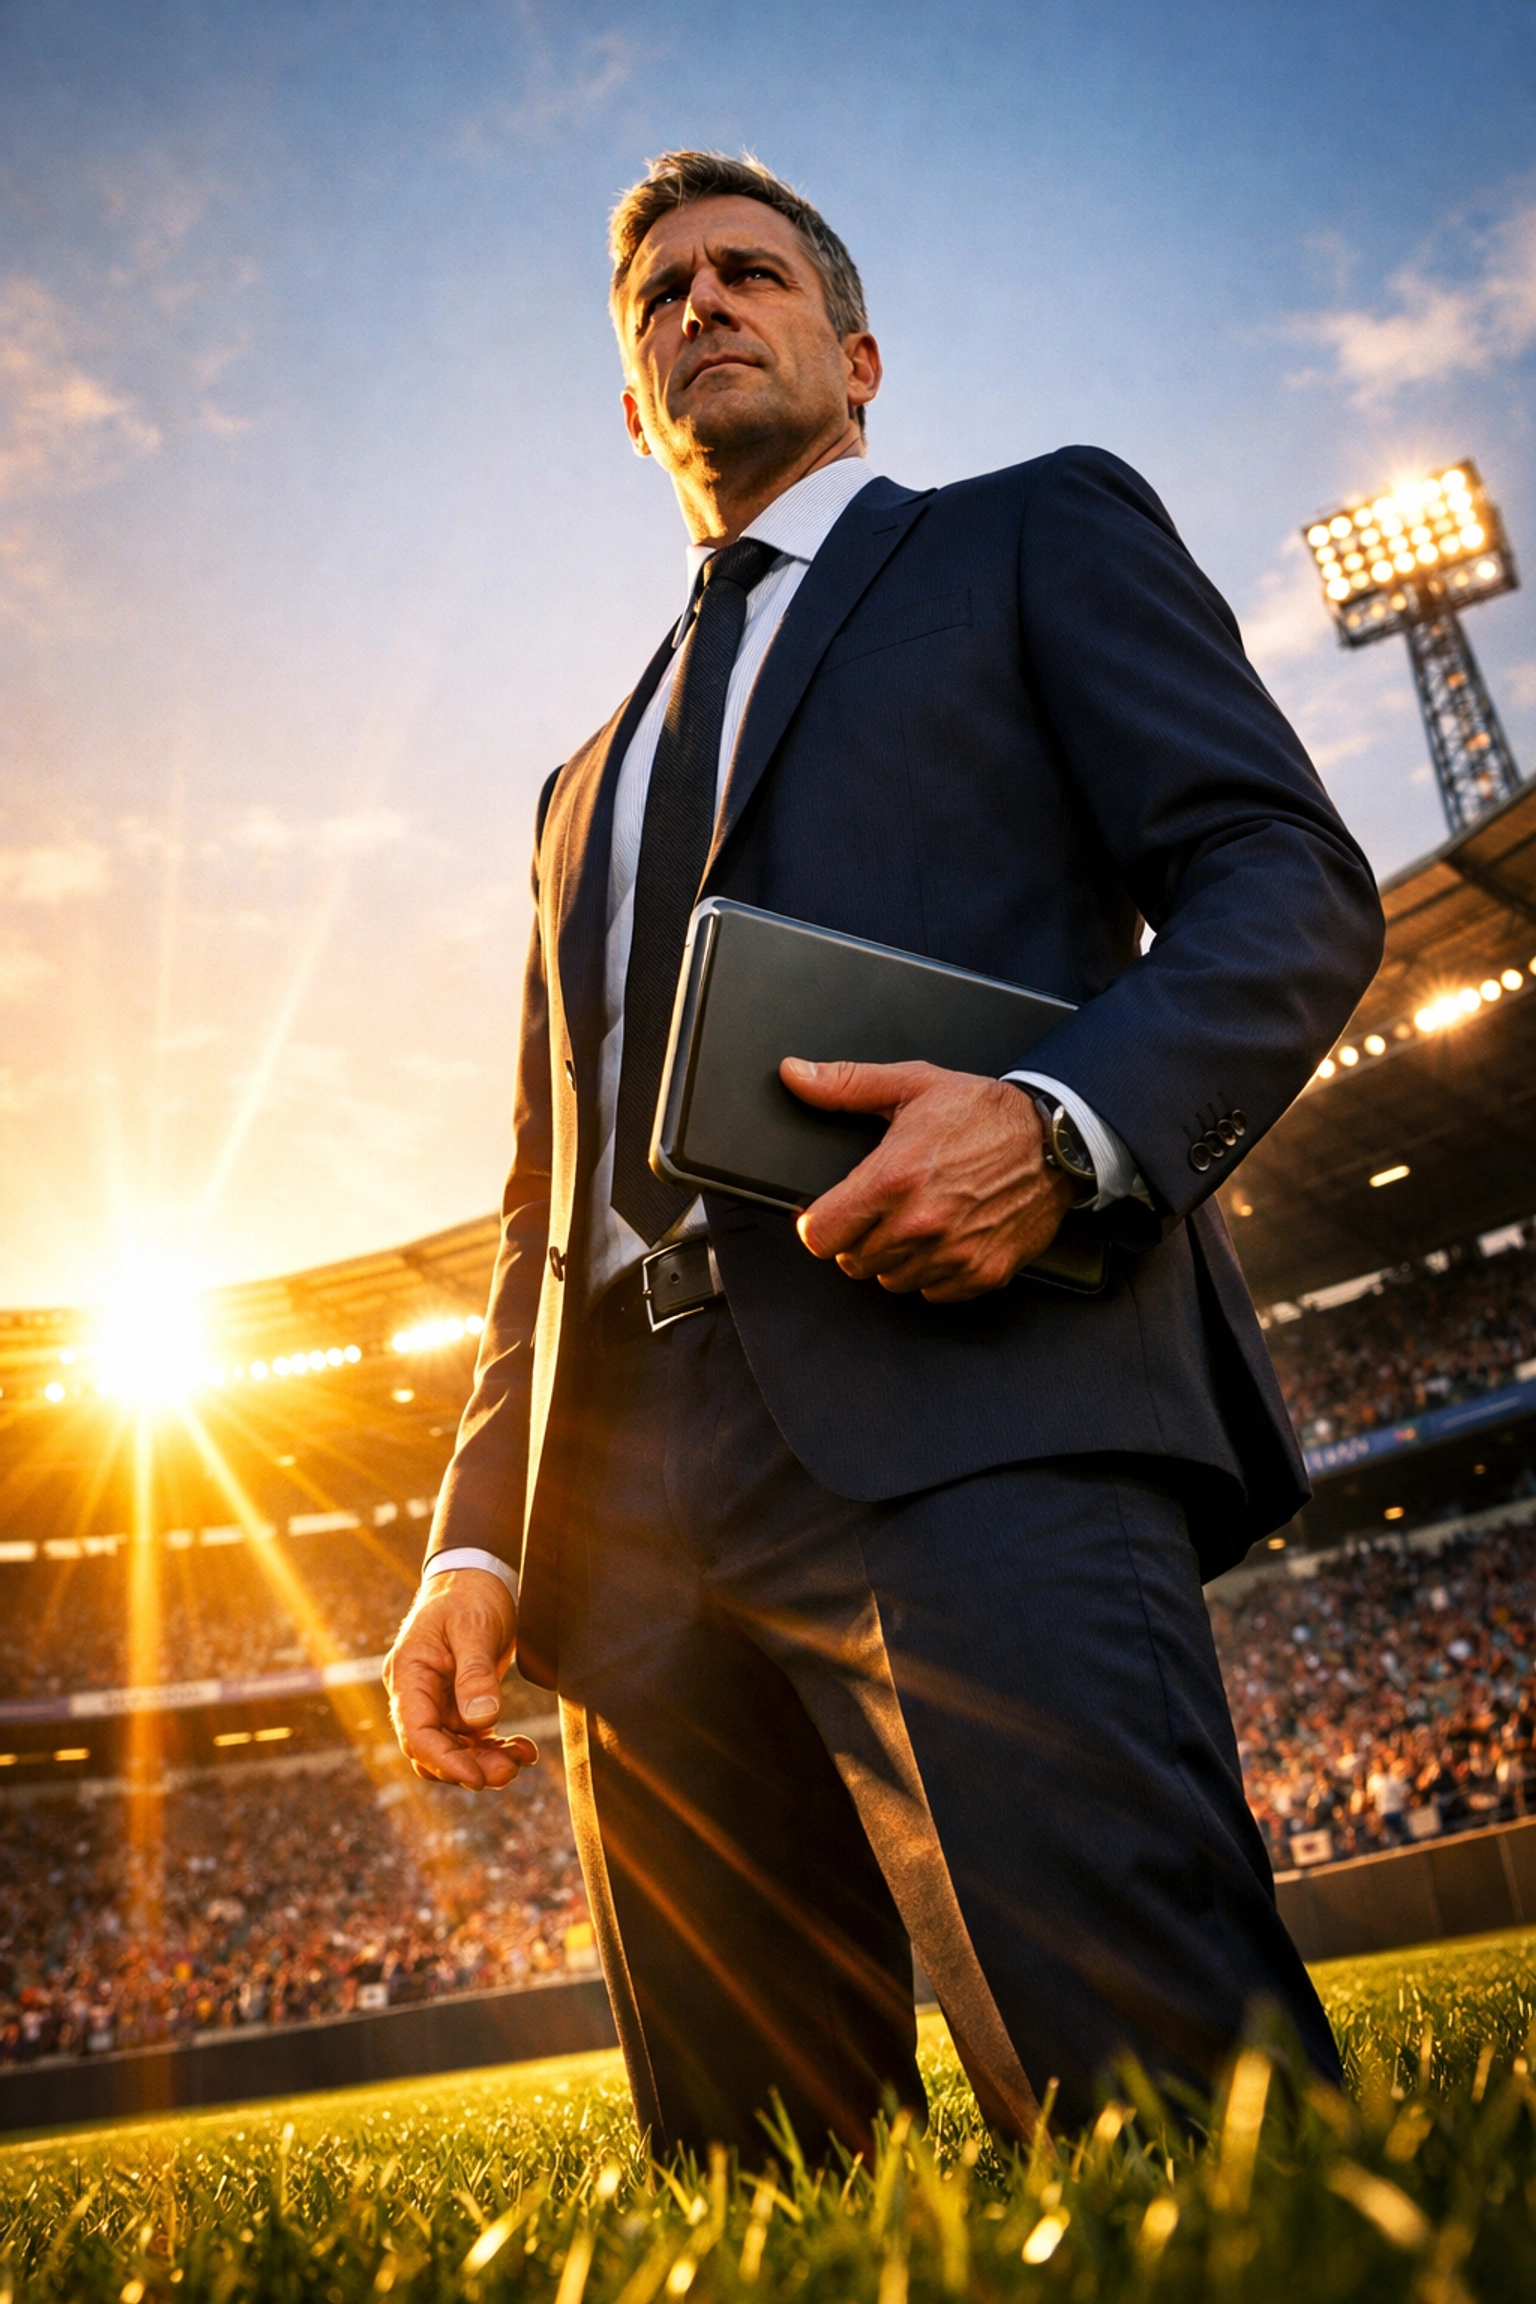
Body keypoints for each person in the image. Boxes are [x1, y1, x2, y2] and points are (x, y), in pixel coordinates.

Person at [385, 150, 1384, 2156]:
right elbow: (540, 1196)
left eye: (747, 272)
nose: (698, 303)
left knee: (1146, 2101)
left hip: (966, 1383)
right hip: (630, 1501)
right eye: (656, 296)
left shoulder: (1026, 536)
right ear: (631, 396)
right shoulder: (575, 783)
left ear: (852, 351)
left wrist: (1064, 1127)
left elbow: (1284, 875)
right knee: (752, 2174)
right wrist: (478, 1529)